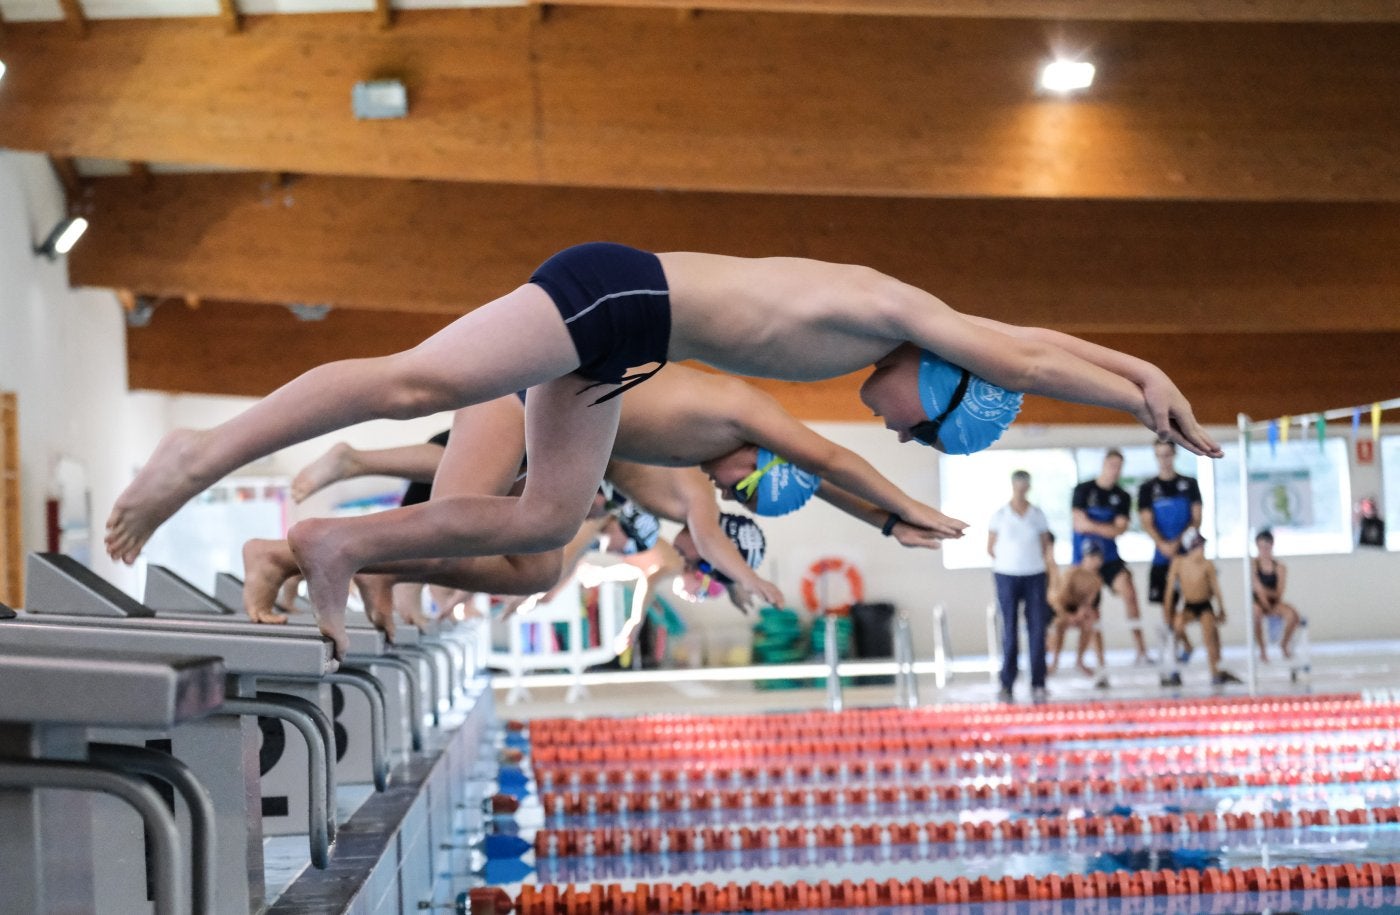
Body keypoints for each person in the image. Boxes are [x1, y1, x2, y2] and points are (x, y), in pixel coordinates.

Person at [107, 242, 1221, 656]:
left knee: (545, 525)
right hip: (617, 295)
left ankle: (334, 547)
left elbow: (1015, 347)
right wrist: (1141, 386)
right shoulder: (900, 311)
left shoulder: (879, 334)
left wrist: (1131, 381)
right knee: (421, 381)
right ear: (940, 385)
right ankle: (205, 451)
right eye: (917, 422)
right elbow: (1017, 352)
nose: (891, 424)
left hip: (619, 356)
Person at [1072, 449, 1149, 663]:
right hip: (1085, 562)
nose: (1115, 471)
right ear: (1104, 464)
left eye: (1119, 467)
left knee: (1129, 592)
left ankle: (1141, 651)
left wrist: (1092, 525)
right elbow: (1078, 523)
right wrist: (1106, 527)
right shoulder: (1083, 490)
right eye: (1112, 465)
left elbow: (1119, 530)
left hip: (1110, 559)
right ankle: (1100, 662)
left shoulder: (1122, 496)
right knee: (1092, 610)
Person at [987, 470, 1054, 703]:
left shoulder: (1037, 514)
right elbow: (991, 547)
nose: (1022, 488)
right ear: (1013, 485)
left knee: (1037, 629)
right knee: (1010, 629)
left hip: (1034, 575)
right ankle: (1007, 682)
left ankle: (1038, 682)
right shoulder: (1000, 515)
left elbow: (1046, 546)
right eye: (1019, 483)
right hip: (1007, 576)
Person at [1137, 440, 1202, 635]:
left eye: (1167, 454)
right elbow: (1147, 523)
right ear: (1155, 457)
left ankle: (1183, 642)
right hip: (1161, 555)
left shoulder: (1189, 484)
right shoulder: (1147, 488)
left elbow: (1196, 518)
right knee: (1167, 603)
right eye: (1160, 455)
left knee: (1196, 600)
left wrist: (1178, 542)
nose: (1164, 460)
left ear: (1174, 455)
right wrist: (1163, 544)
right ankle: (1175, 646)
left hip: (1186, 554)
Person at [1165, 530, 1240, 686]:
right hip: (1189, 606)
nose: (1203, 550)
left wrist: (1221, 609)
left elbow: (1216, 588)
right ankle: (1180, 659)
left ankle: (1215, 672)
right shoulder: (1179, 563)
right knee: (1176, 627)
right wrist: (1168, 612)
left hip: (1205, 605)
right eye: (1200, 546)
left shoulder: (1207, 564)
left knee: (1209, 636)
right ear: (1192, 546)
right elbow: (1169, 590)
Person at [1047, 543, 1108, 686]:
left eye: (1098, 558)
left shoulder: (1096, 580)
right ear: (1085, 558)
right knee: (1059, 626)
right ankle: (1054, 661)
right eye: (1093, 557)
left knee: (1091, 622)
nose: (1096, 561)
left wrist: (1080, 614)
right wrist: (1067, 616)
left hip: (1078, 611)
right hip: (1061, 608)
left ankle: (1081, 660)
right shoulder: (1072, 574)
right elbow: (1058, 600)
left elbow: (1088, 603)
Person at [1252, 529, 1302, 663]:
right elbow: (1258, 590)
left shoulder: (1279, 567)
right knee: (1256, 612)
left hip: (1274, 602)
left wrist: (1266, 596)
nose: (1264, 550)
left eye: (1266, 547)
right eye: (1261, 547)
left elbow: (1279, 592)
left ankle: (1284, 644)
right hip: (1259, 604)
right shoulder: (1253, 565)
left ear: (1271, 546)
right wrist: (1264, 597)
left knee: (1293, 616)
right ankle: (1262, 649)